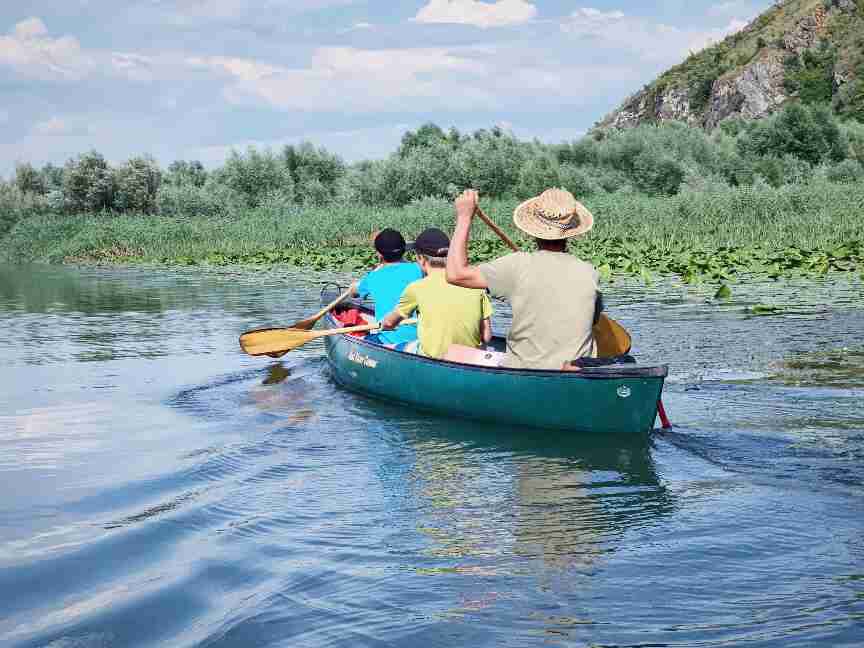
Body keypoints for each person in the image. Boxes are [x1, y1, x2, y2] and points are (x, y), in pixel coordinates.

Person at [446, 188, 599, 370]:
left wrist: (464, 217)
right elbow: (593, 321)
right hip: (577, 373)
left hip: (528, 372)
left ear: (534, 231)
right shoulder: (590, 271)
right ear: (570, 232)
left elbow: (455, 274)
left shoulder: (517, 265)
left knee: (453, 353)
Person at [381, 227, 493, 359]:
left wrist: (384, 324)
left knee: (399, 347)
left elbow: (389, 323)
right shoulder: (475, 285)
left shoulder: (416, 288)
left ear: (421, 259)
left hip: (434, 359)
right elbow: (487, 336)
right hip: (469, 360)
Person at [351, 228, 423, 347]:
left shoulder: (373, 277)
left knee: (364, 339)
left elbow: (353, 293)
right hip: (419, 336)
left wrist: (353, 286)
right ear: (403, 250)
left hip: (389, 339)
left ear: (379, 254)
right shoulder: (419, 269)